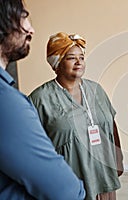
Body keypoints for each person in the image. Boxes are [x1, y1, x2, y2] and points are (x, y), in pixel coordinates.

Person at [0, 1, 86, 199]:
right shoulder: (12, 102)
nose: (31, 29)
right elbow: (65, 191)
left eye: (81, 57)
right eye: (22, 17)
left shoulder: (95, 91)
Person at [29, 32, 123, 200]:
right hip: (68, 179)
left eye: (81, 57)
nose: (79, 62)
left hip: (102, 175)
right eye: (71, 58)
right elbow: (31, 143)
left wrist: (118, 158)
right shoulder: (40, 98)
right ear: (57, 63)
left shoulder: (96, 90)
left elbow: (111, 123)